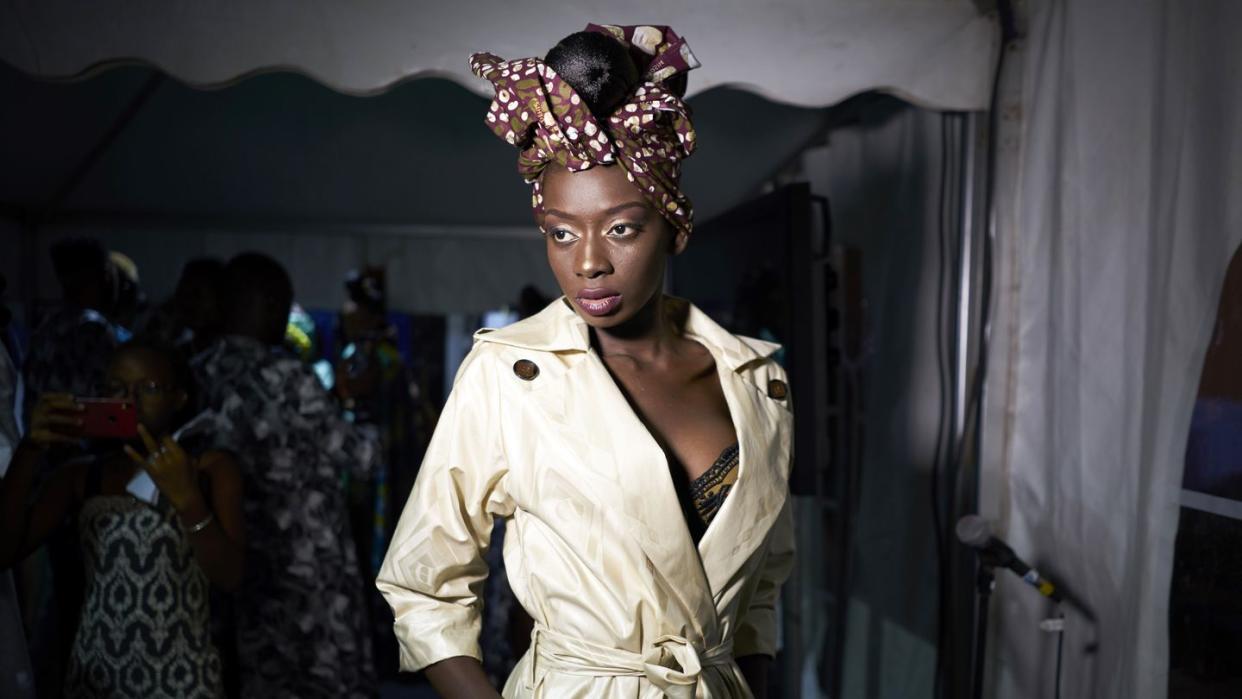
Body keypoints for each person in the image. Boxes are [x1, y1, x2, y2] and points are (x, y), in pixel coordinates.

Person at [377, 25, 796, 699]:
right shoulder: (512, 377)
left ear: (675, 225)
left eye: (623, 227)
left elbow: (762, 591)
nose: (589, 261)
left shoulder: (759, 381)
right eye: (561, 233)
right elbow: (425, 588)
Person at [0, 341, 245, 698]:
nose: (129, 400)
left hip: (185, 678)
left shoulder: (209, 469)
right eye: (115, 389)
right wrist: (30, 449)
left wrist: (189, 501)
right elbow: (4, 553)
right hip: (98, 676)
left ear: (179, 398)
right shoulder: (80, 477)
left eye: (147, 389)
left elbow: (232, 577)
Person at [192, 252, 377, 698]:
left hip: (227, 571)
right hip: (308, 575)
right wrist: (356, 405)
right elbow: (362, 458)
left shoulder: (196, 371)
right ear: (268, 302)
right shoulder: (286, 375)